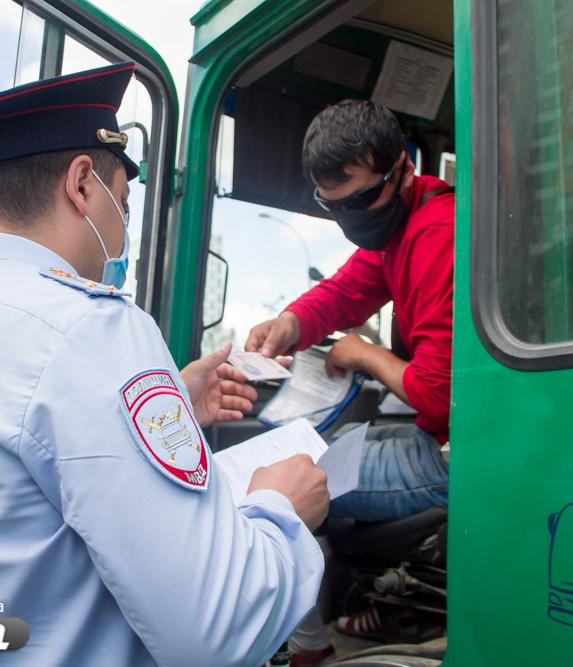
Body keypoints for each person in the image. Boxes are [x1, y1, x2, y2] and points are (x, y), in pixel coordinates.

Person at [0, 62, 330, 666]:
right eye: (122, 203)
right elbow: (219, 629)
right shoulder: (86, 326)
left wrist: (172, 397)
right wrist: (278, 508)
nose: (123, 226)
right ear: (81, 185)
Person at [245, 100, 454, 662]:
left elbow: (439, 394)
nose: (351, 217)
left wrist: (363, 353)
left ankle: (309, 648)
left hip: (464, 456)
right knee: (319, 454)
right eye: (332, 206)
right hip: (437, 437)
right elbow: (340, 293)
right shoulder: (399, 230)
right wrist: (289, 322)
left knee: (289, 488)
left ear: (404, 171)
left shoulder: (437, 232)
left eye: (361, 200)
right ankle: (360, 603)